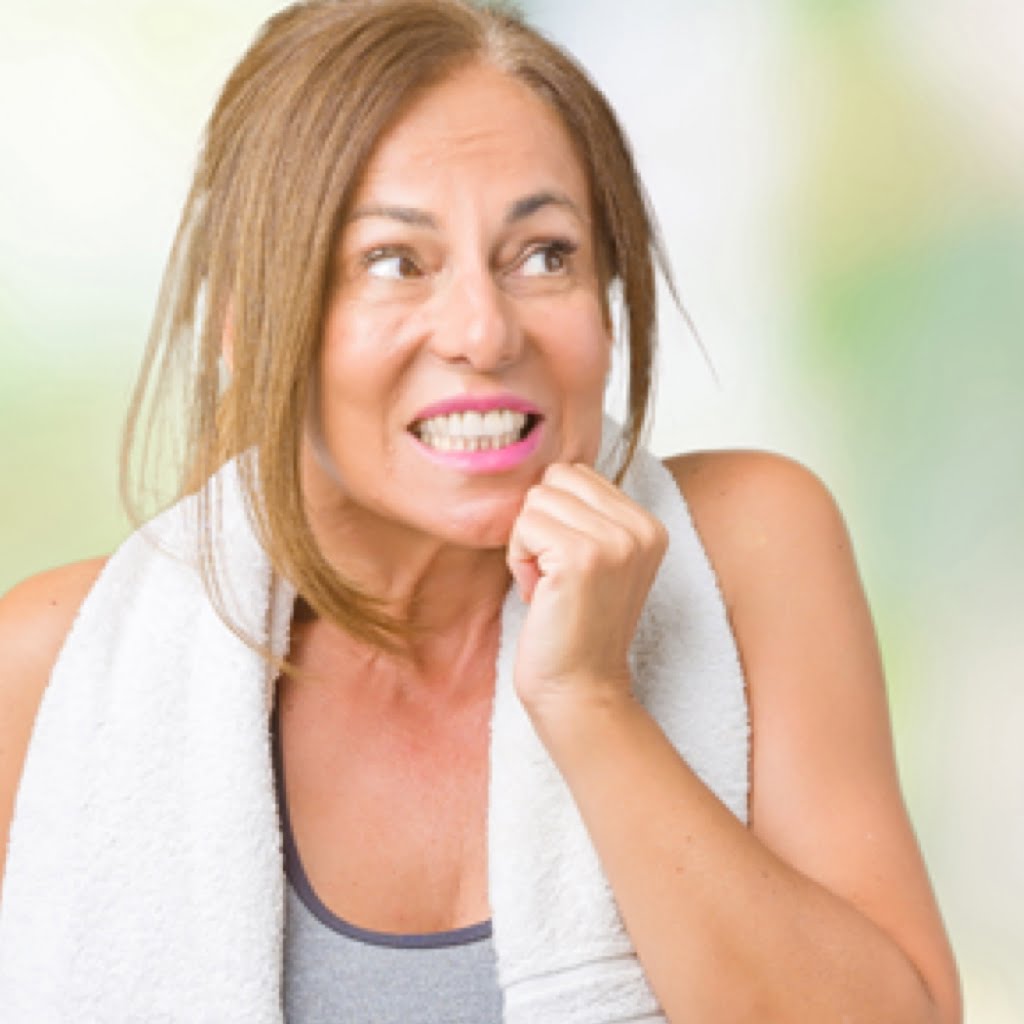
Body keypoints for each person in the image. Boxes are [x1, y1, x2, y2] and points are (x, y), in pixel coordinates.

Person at [0, 1, 960, 1021]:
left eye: (544, 254)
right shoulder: (51, 667)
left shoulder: (748, 548)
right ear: (249, 323)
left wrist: (591, 703)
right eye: (394, 261)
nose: (484, 332)